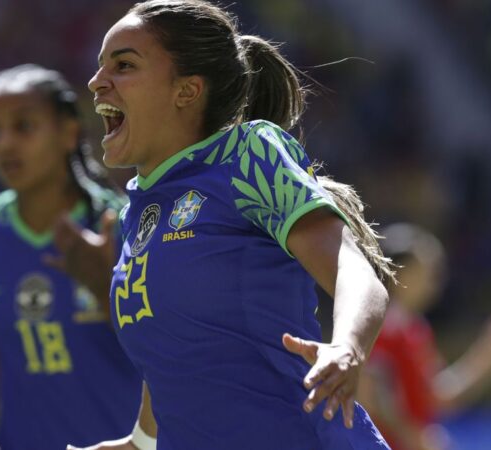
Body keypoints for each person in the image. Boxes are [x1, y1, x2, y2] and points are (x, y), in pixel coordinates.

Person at [66, 1, 397, 448]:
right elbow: (172, 350)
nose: (95, 81)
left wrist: (347, 348)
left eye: (123, 64)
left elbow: (352, 268)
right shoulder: (136, 213)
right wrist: (139, 444)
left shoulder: (246, 155)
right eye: (100, 65)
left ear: (186, 90)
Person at [0, 64, 141, 450]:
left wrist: (105, 290)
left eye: (24, 126)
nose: (4, 144)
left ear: (68, 133)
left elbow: (168, 356)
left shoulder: (127, 226)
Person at [358, 223, 491, 450]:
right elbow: (370, 392)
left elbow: (437, 396)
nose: (436, 282)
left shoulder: (412, 328)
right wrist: (415, 438)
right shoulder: (384, 326)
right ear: (401, 273)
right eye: (429, 271)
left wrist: (489, 349)